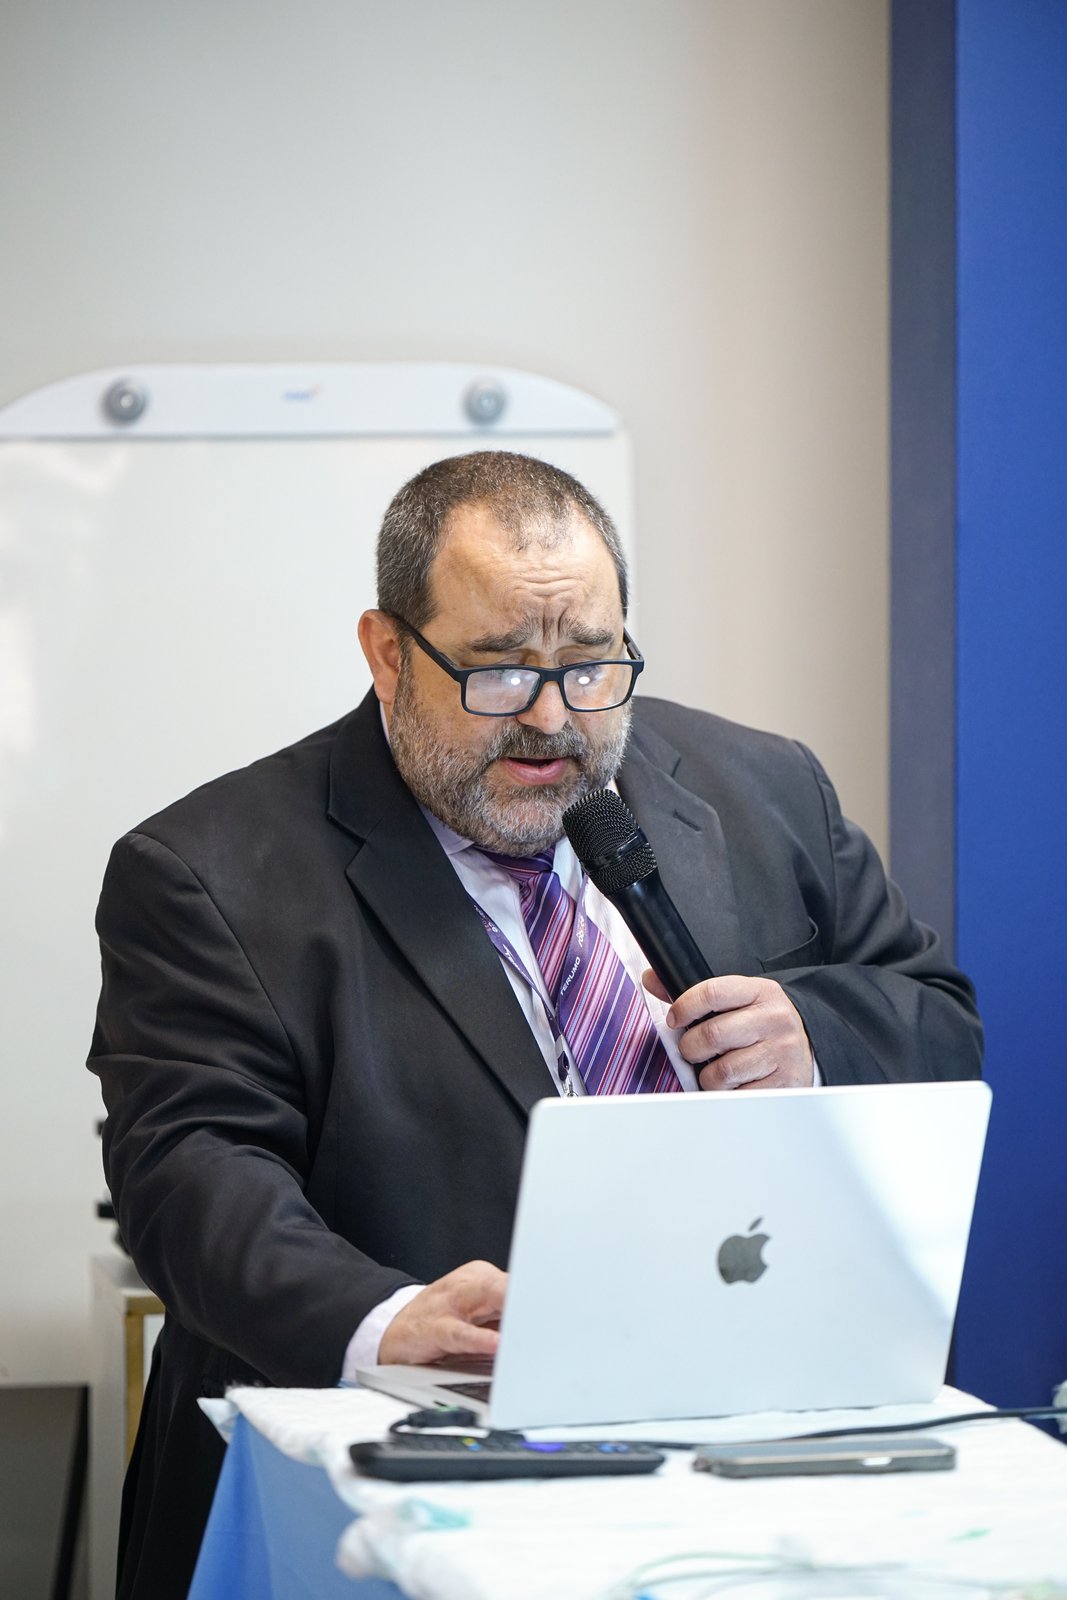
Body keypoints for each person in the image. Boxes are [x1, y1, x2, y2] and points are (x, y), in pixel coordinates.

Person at [88, 450, 982, 1597]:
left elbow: (935, 1017)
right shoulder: (208, 870)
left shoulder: (765, 789)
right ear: (386, 652)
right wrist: (381, 1319)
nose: (552, 720)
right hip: (393, 1481)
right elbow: (188, 1169)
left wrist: (811, 1034)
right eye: (500, 669)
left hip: (741, 1459)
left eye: (590, 664)